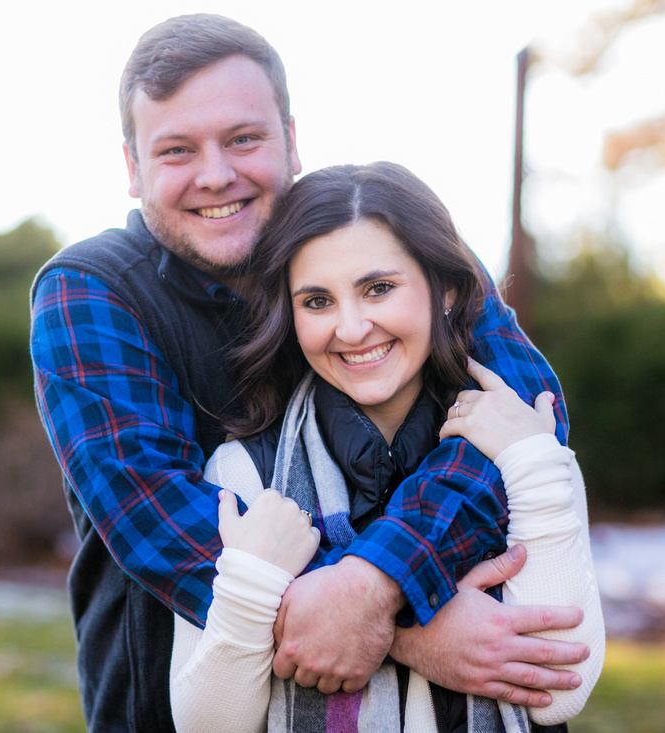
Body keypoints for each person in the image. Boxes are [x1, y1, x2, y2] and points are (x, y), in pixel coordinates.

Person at [30, 14, 589, 731]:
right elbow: (159, 520)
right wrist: (411, 624)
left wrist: (378, 579)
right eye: (176, 149)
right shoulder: (90, 292)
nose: (216, 174)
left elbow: (521, 411)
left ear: (290, 139)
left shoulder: (391, 237)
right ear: (133, 166)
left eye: (243, 138)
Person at [168, 162, 605, 732]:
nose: (351, 329)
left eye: (379, 288)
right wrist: (253, 588)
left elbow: (562, 689)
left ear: (445, 289)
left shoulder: (523, 449)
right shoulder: (247, 473)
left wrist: (532, 463)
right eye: (318, 301)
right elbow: (209, 725)